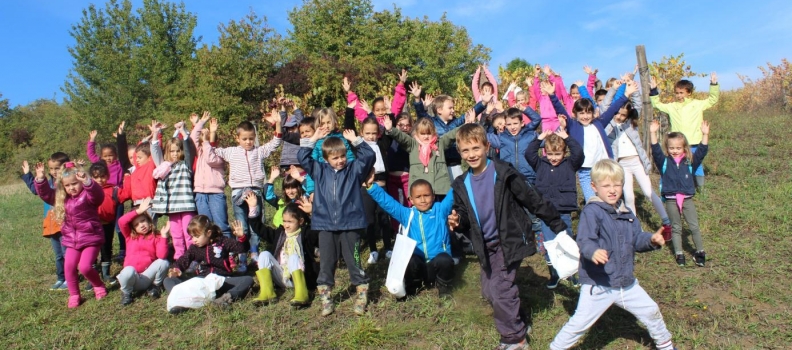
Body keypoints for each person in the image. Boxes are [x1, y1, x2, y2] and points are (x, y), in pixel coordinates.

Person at [447, 124, 568, 350]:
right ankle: (518, 320)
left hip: (508, 240)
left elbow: (531, 199)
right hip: (485, 245)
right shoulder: (462, 183)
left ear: (486, 146)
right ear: (459, 152)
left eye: (475, 148)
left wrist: (556, 222)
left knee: (501, 290)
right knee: (489, 291)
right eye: (465, 150)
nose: (471, 154)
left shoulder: (503, 173)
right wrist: (457, 220)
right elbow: (463, 213)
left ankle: (515, 340)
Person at [549, 159, 675, 350]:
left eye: (617, 184)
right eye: (606, 185)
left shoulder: (627, 213)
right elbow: (584, 240)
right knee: (579, 324)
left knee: (651, 311)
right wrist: (593, 252)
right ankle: (555, 347)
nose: (612, 189)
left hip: (627, 282)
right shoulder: (592, 212)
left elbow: (636, 239)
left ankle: (665, 345)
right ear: (594, 187)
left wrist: (651, 240)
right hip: (599, 285)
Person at [298, 126, 374, 316]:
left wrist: (356, 141)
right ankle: (325, 297)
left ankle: (362, 293)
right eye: (335, 158)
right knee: (326, 263)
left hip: (351, 223)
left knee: (354, 260)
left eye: (342, 156)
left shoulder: (353, 169)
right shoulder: (319, 171)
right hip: (325, 225)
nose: (340, 161)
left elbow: (369, 156)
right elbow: (302, 157)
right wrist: (313, 138)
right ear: (325, 159)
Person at [209, 111, 283, 270]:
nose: (248, 142)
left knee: (255, 224)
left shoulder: (258, 151)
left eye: (251, 138)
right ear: (238, 139)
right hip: (238, 192)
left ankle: (254, 252)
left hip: (255, 192)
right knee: (241, 225)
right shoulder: (232, 152)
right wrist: (213, 132)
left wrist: (277, 123)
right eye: (244, 139)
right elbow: (214, 149)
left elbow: (276, 142)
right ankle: (242, 254)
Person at [602, 82, 674, 239]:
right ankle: (635, 229)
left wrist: (633, 91)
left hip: (637, 162)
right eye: (618, 114)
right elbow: (605, 106)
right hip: (621, 165)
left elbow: (637, 105)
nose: (620, 117)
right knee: (628, 197)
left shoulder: (630, 124)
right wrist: (614, 90)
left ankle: (666, 222)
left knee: (649, 192)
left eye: (623, 115)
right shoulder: (609, 126)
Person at [548, 80, 638, 202]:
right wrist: (552, 95)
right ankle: (595, 219)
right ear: (575, 114)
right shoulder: (573, 126)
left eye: (588, 113)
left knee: (607, 198)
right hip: (585, 170)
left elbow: (613, 109)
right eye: (581, 113)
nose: (585, 116)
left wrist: (626, 94)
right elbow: (561, 111)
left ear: (593, 113)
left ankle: (610, 218)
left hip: (603, 167)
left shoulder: (599, 123)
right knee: (592, 201)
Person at [34, 161, 107, 308]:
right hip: (71, 240)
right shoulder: (62, 198)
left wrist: (87, 181)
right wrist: (41, 180)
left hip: (90, 237)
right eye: (67, 185)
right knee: (69, 266)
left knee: (85, 267)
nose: (71, 188)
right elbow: (47, 195)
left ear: (80, 181)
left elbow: (98, 195)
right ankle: (74, 294)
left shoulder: (88, 195)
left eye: (74, 183)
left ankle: (98, 285)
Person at [365, 177, 454, 297]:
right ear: (411, 199)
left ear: (433, 196)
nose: (423, 200)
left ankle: (444, 286)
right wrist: (371, 186)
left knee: (445, 260)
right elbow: (388, 202)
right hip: (419, 267)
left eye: (426, 195)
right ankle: (413, 287)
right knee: (410, 261)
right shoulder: (407, 215)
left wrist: (467, 176)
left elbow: (454, 194)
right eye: (418, 197)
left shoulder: (441, 210)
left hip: (436, 265)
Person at [525, 129, 584, 289]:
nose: (553, 158)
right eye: (550, 154)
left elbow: (578, 153)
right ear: (545, 152)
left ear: (564, 153)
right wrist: (541, 138)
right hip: (546, 211)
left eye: (557, 154)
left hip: (563, 210)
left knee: (566, 242)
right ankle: (554, 274)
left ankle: (572, 274)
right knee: (550, 243)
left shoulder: (570, 164)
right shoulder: (540, 164)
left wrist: (567, 137)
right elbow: (529, 153)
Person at [650, 119, 710, 267]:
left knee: (694, 226)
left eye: (678, 147)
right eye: (671, 148)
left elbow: (702, 151)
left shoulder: (690, 162)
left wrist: (705, 135)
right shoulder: (664, 162)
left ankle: (700, 252)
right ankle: (679, 253)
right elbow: (656, 150)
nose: (675, 150)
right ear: (668, 148)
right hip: (671, 199)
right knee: (676, 227)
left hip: (687, 199)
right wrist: (652, 133)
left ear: (684, 148)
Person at [164, 215, 253, 314]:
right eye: (192, 236)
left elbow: (242, 249)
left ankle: (225, 298)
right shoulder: (194, 248)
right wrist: (177, 269)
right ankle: (182, 302)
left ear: (208, 233)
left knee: (248, 279)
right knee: (168, 280)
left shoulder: (223, 242)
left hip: (220, 281)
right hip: (202, 283)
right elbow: (184, 259)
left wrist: (241, 238)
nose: (194, 240)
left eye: (197, 236)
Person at [246, 194, 318, 307]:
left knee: (294, 257)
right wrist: (253, 208)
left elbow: (318, 229)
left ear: (301, 221)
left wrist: (313, 212)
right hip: (282, 278)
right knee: (264, 254)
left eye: (290, 222)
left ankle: (302, 294)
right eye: (284, 221)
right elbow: (260, 229)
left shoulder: (306, 234)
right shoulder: (279, 234)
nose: (286, 225)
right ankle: (267, 292)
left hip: (300, 278)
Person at [650, 73, 719, 189]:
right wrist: (653, 90)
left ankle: (701, 188)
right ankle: (678, 185)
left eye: (681, 93)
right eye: (677, 93)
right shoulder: (672, 106)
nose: (678, 95)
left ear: (689, 93)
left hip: (694, 141)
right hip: (678, 143)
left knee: (697, 165)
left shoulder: (697, 104)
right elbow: (657, 104)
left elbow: (713, 100)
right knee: (677, 164)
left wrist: (713, 84)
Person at [21, 153, 70, 291]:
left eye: (57, 168)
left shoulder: (67, 182)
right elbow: (35, 189)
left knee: (67, 253)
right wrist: (28, 174)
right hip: (51, 223)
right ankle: (61, 278)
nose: (54, 172)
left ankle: (68, 277)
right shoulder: (48, 183)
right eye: (52, 169)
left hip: (64, 222)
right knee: (58, 254)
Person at [149, 120, 197, 260]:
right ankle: (180, 257)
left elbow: (190, 151)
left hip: (186, 205)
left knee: (189, 232)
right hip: (172, 207)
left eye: (178, 151)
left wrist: (183, 132)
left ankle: (192, 256)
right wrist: (155, 133)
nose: (175, 154)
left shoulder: (185, 165)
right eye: (172, 151)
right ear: (167, 152)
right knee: (176, 233)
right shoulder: (163, 166)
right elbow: (155, 151)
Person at [116, 197, 169, 306]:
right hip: (132, 279)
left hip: (147, 277)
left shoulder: (156, 236)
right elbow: (121, 221)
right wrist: (138, 211)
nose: (141, 225)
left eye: (143, 221)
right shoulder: (130, 237)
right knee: (128, 270)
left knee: (164, 262)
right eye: (136, 224)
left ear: (149, 221)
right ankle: (127, 293)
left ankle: (155, 286)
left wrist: (163, 237)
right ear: (133, 229)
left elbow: (162, 255)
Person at [191, 112, 232, 237]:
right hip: (200, 193)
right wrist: (201, 122)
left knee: (221, 225)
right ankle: (209, 252)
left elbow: (210, 158)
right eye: (203, 138)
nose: (204, 140)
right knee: (204, 226)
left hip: (216, 193)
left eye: (207, 138)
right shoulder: (199, 152)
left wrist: (207, 140)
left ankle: (228, 252)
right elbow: (193, 138)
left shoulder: (220, 154)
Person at [89, 162, 129, 285]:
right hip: (91, 226)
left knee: (106, 248)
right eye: (96, 177)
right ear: (91, 178)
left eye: (102, 176)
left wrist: (127, 179)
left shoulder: (113, 190)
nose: (99, 180)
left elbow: (126, 195)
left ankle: (106, 274)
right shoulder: (87, 190)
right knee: (92, 251)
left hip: (107, 224)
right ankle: (92, 277)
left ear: (107, 176)